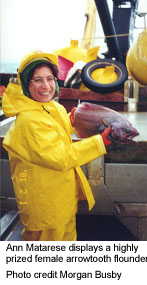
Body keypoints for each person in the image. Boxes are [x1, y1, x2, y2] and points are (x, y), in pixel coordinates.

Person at [2, 50, 112, 241]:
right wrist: (99, 142)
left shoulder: (51, 107)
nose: (46, 86)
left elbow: (53, 131)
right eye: (37, 80)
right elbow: (60, 156)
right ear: (26, 85)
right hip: (45, 210)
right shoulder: (28, 119)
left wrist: (71, 121)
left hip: (61, 201)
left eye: (50, 78)